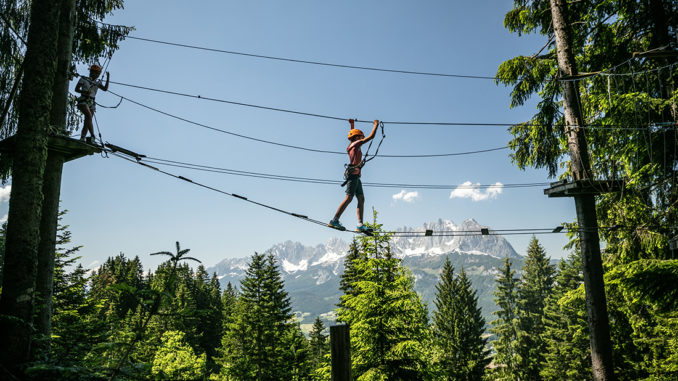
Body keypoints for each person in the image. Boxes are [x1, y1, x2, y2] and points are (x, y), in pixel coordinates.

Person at [329, 119, 380, 232]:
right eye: (360, 137)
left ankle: (360, 225)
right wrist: (375, 125)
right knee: (349, 198)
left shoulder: (352, 144)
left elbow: (352, 133)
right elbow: (371, 137)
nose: (362, 138)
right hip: (353, 176)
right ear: (356, 138)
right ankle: (334, 220)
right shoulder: (356, 144)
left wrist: (352, 125)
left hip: (356, 176)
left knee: (361, 198)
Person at [75, 64, 109, 142]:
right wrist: (84, 92)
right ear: (91, 72)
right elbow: (76, 89)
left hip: (91, 102)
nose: (95, 75)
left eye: (97, 74)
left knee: (87, 121)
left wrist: (107, 78)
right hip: (83, 100)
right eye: (94, 72)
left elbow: (105, 89)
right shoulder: (83, 79)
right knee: (89, 116)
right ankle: (93, 135)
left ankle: (82, 138)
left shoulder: (97, 83)